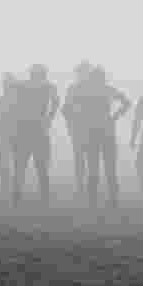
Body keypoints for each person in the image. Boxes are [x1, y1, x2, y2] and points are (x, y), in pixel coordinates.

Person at [68, 66, 131, 209]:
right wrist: (115, 117)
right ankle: (112, 202)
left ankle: (94, 203)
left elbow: (67, 108)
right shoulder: (106, 89)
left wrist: (78, 120)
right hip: (105, 133)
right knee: (109, 169)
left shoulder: (85, 91)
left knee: (94, 168)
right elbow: (127, 102)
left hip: (93, 134)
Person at [10, 64, 59, 207]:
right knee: (35, 167)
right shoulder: (47, 87)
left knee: (30, 167)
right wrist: (49, 117)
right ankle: (38, 199)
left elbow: (56, 102)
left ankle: (19, 199)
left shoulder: (40, 87)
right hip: (31, 130)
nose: (37, 76)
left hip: (30, 130)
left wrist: (49, 117)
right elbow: (56, 102)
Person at [62, 61, 93, 197]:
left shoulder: (89, 88)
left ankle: (88, 187)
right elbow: (66, 109)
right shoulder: (73, 89)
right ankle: (81, 186)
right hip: (79, 129)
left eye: (84, 72)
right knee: (81, 158)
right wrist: (70, 125)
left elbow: (65, 109)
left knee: (90, 159)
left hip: (91, 129)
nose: (82, 74)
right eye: (81, 72)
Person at [0, 73, 18, 195]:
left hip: (13, 136)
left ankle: (11, 187)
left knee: (13, 163)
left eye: (8, 85)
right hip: (3, 137)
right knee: (5, 163)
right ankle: (6, 187)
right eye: (5, 85)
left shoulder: (18, 103)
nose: (6, 87)